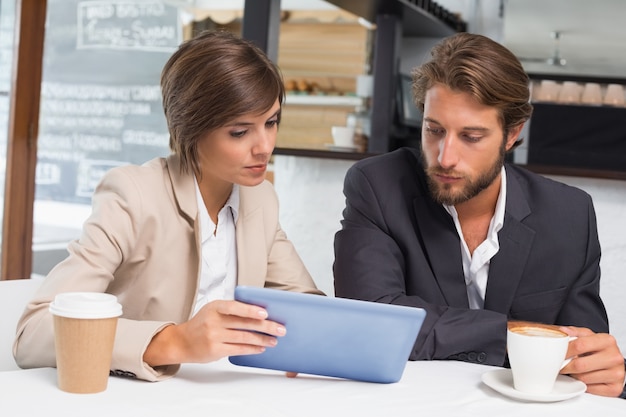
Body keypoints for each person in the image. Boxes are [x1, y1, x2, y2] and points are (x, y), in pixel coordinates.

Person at [14, 30, 323, 382]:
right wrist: (174, 341)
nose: (265, 146)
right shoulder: (134, 195)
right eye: (240, 132)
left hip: (228, 398)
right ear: (190, 128)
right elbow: (33, 334)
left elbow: (307, 306)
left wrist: (307, 338)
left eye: (271, 122)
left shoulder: (260, 198)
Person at [333, 32, 625, 398]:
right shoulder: (377, 186)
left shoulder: (569, 216)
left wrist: (607, 375)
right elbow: (369, 323)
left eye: (471, 137)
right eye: (434, 130)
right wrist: (512, 335)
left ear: (512, 135)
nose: (445, 157)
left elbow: (584, 363)